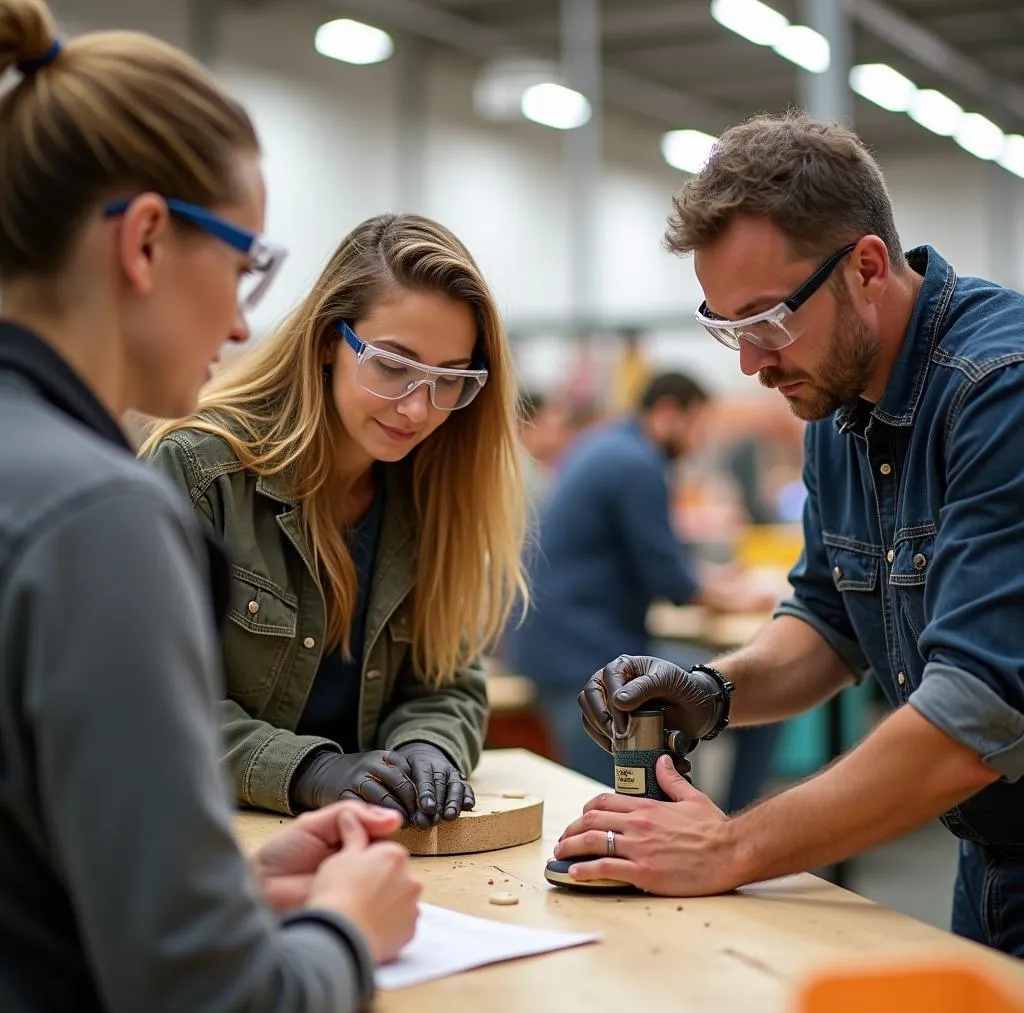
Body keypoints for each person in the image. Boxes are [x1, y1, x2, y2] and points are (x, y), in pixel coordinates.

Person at [0, 2, 422, 1013]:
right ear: (145, 241)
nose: (239, 322)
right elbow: (211, 1002)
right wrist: (342, 930)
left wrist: (223, 888)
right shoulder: (101, 517)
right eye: (242, 266)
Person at [559, 112, 1024, 956]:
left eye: (766, 321)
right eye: (727, 328)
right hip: (994, 855)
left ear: (867, 268)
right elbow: (829, 621)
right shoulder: (835, 402)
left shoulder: (1001, 391)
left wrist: (731, 845)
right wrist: (710, 689)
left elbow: (976, 715)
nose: (749, 364)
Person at [141, 213, 527, 828]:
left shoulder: (435, 492)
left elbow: (447, 683)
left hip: (371, 846)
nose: (419, 407)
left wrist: (427, 748)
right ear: (328, 340)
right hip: (215, 838)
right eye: (394, 365)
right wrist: (308, 771)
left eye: (450, 378)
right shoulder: (202, 471)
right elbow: (147, 702)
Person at [506, 372, 770, 784]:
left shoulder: (606, 446)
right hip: (582, 654)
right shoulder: (638, 463)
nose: (698, 442)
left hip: (559, 642)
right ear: (668, 413)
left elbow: (658, 561)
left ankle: (717, 820)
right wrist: (738, 597)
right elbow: (673, 581)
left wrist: (712, 582)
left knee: (715, 704)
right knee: (744, 699)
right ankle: (736, 821)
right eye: (697, 426)